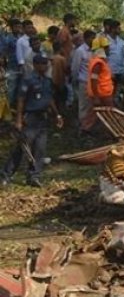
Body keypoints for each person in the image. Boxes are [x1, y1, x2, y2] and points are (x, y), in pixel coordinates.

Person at [1, 55, 64, 188]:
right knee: (22, 148)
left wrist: (57, 114)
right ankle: (6, 175)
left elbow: (49, 99)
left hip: (43, 118)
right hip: (30, 118)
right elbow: (21, 100)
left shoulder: (47, 81)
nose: (45, 66)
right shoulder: (27, 80)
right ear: (35, 65)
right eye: (42, 64)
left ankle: (34, 176)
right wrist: (18, 120)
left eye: (46, 64)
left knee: (40, 149)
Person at [81, 36, 113, 133]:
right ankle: (110, 132)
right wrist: (96, 97)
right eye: (106, 47)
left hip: (102, 93)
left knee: (95, 113)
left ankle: (86, 129)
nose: (108, 49)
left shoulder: (99, 61)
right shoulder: (98, 63)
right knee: (109, 113)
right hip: (102, 93)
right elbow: (94, 80)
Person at [71, 30, 96, 129]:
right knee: (83, 105)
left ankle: (90, 125)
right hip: (84, 82)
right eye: (91, 38)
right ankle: (83, 126)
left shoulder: (95, 50)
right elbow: (75, 68)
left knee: (92, 105)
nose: (93, 40)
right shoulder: (80, 51)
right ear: (86, 39)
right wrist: (75, 80)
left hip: (93, 83)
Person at [105, 19, 124, 106]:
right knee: (108, 93)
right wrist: (108, 71)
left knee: (118, 93)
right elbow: (104, 58)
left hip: (120, 71)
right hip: (109, 72)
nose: (120, 29)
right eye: (118, 28)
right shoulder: (105, 40)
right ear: (112, 29)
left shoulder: (121, 41)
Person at [3, 18, 23, 107]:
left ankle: (14, 110)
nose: (18, 28)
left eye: (19, 26)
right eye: (16, 26)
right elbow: (3, 52)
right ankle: (6, 111)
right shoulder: (8, 39)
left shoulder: (21, 37)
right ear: (12, 27)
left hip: (21, 68)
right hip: (11, 67)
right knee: (11, 90)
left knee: (19, 90)